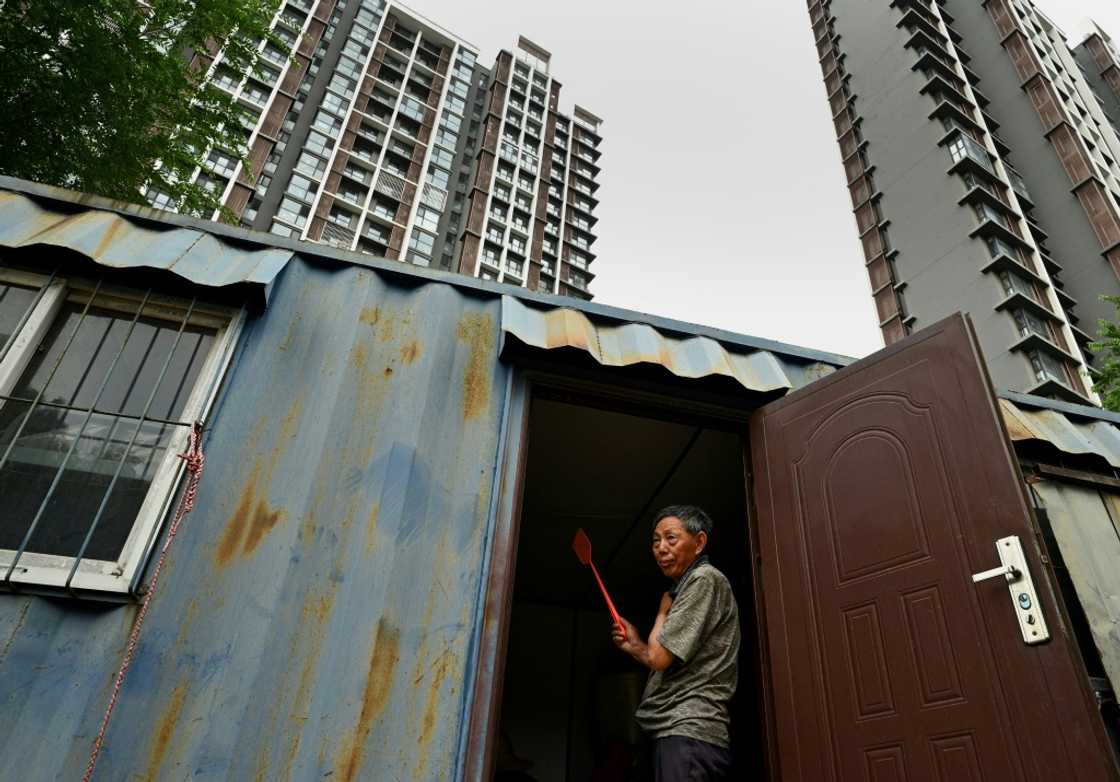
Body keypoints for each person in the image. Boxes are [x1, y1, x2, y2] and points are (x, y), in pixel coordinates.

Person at [611, 505, 740, 782]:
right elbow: (657, 656)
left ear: (699, 542)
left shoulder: (703, 579)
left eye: (671, 538)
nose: (661, 548)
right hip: (675, 730)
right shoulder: (684, 587)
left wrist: (662, 610)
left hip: (689, 730)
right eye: (656, 541)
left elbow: (658, 658)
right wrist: (634, 645)